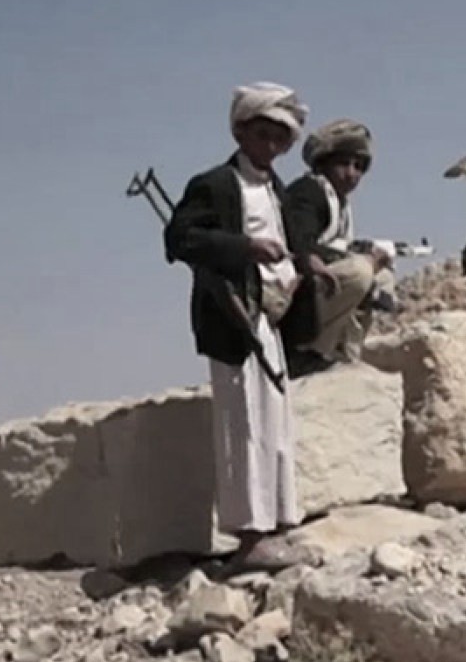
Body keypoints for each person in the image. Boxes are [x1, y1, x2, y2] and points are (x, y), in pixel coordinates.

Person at [164, 82, 322, 571]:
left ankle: (277, 527)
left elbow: (290, 241)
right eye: (263, 134)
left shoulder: (277, 189)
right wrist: (244, 249)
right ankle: (249, 540)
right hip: (233, 320)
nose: (271, 145)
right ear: (240, 132)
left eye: (280, 137)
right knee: (244, 426)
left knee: (276, 424)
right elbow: (179, 238)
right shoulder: (214, 184)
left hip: (271, 318)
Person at [281, 118, 394, 377]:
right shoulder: (309, 192)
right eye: (344, 164)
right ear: (323, 164)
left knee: (382, 276)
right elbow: (299, 244)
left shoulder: (339, 204)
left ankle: (344, 352)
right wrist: (360, 258)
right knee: (360, 272)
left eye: (359, 167)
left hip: (315, 289)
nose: (352, 174)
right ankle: (306, 352)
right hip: (296, 295)